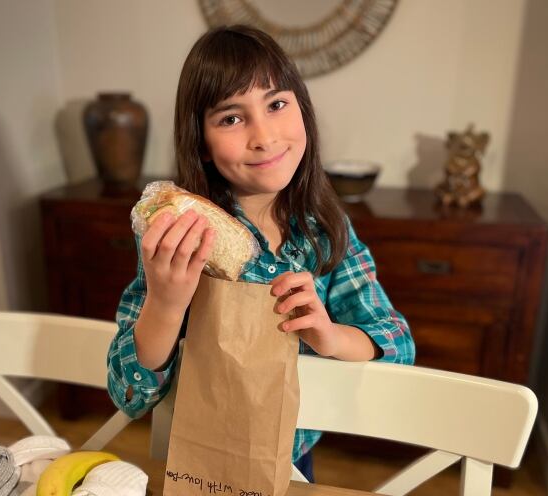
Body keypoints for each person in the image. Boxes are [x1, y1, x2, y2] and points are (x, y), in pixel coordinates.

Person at [107, 25, 415, 483]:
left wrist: (329, 336)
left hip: (292, 462)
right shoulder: (179, 236)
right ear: (202, 144)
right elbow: (129, 393)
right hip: (201, 461)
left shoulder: (325, 230)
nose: (265, 136)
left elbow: (398, 343)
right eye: (231, 118)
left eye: (276, 104)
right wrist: (166, 305)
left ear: (302, 109)